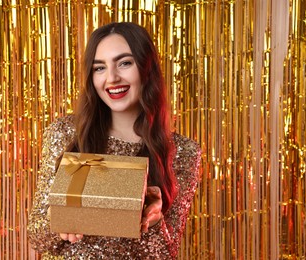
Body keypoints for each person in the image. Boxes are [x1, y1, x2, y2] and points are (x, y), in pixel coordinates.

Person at [27, 22, 201, 259]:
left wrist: (153, 220)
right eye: (99, 68)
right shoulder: (66, 133)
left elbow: (167, 254)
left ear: (146, 68)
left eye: (125, 63)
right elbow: (37, 237)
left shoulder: (182, 151)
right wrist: (57, 222)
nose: (112, 77)